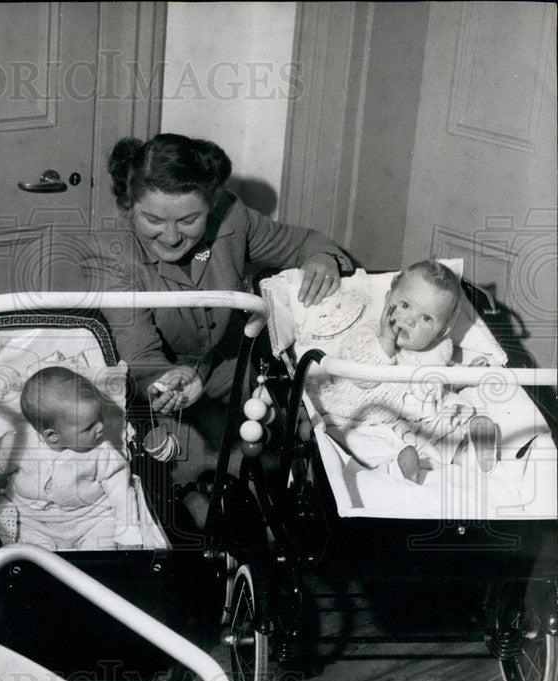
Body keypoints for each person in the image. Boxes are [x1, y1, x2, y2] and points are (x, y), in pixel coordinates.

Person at [79, 133, 352, 485]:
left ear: (211, 204)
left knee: (274, 467)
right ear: (128, 206)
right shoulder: (107, 252)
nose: (172, 236)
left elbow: (304, 242)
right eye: (154, 221)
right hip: (156, 391)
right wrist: (167, 381)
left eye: (189, 220)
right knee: (184, 483)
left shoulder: (231, 215)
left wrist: (321, 258)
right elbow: (140, 353)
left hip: (227, 369)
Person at [311, 260, 498, 481]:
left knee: (449, 416)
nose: (410, 320)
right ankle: (396, 465)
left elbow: (442, 378)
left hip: (413, 423)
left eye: (426, 318)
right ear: (388, 299)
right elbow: (362, 377)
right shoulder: (366, 335)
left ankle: (471, 451)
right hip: (361, 417)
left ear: (442, 331)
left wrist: (466, 374)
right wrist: (385, 340)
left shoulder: (437, 350)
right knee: (350, 439)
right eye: (405, 305)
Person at [0, 366, 151, 550]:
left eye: (100, 417)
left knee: (102, 553)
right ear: (52, 436)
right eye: (89, 427)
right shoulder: (18, 443)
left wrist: (127, 533)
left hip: (91, 520)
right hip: (34, 522)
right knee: (31, 556)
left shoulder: (102, 452)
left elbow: (121, 492)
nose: (101, 428)